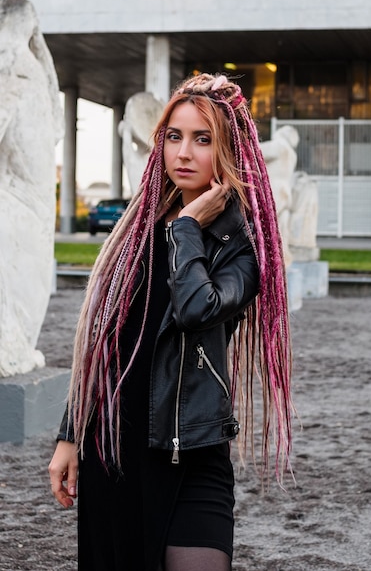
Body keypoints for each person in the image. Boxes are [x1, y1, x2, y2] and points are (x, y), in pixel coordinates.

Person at [48, 72, 293, 571]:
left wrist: (185, 228)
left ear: (228, 153)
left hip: (192, 453)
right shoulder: (134, 235)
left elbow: (195, 308)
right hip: (114, 446)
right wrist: (70, 434)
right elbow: (103, 345)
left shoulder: (241, 249)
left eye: (203, 140)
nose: (183, 152)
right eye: (174, 137)